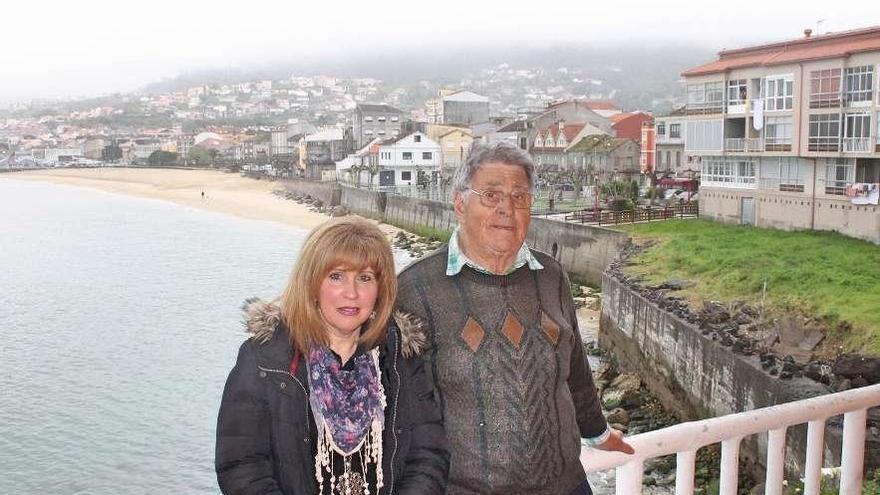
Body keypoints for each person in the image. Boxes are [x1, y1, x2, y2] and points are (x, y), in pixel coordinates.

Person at [395, 142, 634, 495]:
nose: (507, 209)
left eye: (519, 197)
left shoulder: (551, 276)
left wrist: (598, 432)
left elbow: (577, 372)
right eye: (491, 195)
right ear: (460, 204)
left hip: (566, 487)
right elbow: (400, 406)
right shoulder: (415, 288)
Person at [215, 217, 449, 495]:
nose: (351, 293)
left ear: (380, 289)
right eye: (336, 276)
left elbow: (428, 456)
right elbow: (242, 466)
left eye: (364, 278)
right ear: (312, 284)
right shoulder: (266, 359)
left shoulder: (400, 358)